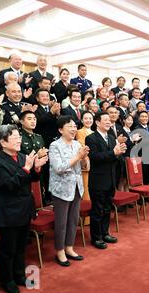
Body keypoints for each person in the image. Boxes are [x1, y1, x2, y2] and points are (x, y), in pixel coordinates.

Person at [0, 125, 48, 293]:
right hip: (8, 211)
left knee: (22, 246)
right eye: (15, 138)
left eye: (19, 137)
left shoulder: (22, 156)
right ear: (3, 142)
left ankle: (19, 275)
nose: (19, 140)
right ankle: (6, 280)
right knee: (8, 249)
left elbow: (32, 178)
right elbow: (8, 185)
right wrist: (27, 168)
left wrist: (36, 169)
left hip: (25, 208)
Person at [49, 116, 89, 267]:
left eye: (74, 126)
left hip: (77, 187)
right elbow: (59, 168)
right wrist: (78, 157)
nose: (73, 129)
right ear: (60, 130)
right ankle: (60, 251)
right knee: (61, 222)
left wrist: (84, 158)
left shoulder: (78, 143)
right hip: (61, 189)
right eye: (69, 127)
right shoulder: (54, 146)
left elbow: (83, 166)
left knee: (73, 220)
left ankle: (69, 248)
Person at [85, 112, 126, 249]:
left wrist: (119, 153)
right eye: (106, 120)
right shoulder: (91, 138)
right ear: (97, 122)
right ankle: (96, 238)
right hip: (97, 181)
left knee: (107, 209)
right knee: (97, 210)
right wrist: (113, 153)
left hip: (110, 179)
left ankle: (105, 233)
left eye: (110, 120)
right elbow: (95, 157)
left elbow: (114, 159)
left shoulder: (111, 137)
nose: (109, 122)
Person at [76, 111, 94, 200]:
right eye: (86, 118)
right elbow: (83, 147)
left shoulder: (94, 132)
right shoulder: (79, 132)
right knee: (86, 188)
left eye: (90, 118)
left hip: (95, 162)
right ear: (82, 120)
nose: (88, 120)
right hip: (86, 161)